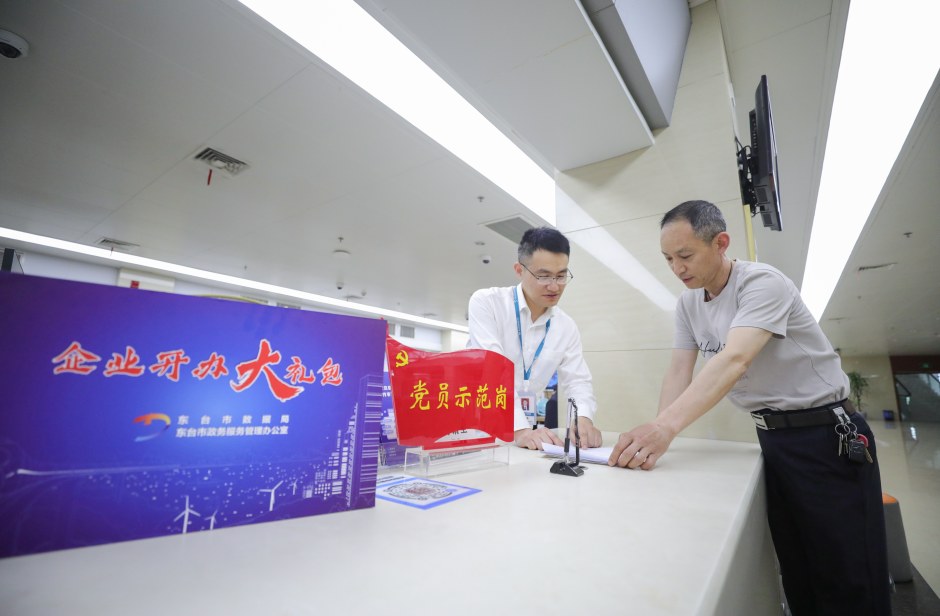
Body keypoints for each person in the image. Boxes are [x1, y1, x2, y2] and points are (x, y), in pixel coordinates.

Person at [609, 200, 890, 615]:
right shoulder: (688, 304)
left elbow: (735, 359)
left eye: (685, 255)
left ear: (720, 243)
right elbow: (679, 371)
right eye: (668, 259)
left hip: (826, 435)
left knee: (846, 568)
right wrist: (655, 433)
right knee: (797, 563)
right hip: (773, 439)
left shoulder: (762, 284)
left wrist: (665, 429)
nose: (677, 268)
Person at [468, 227, 602, 450]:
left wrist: (583, 418)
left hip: (526, 438)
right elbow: (492, 371)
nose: (554, 286)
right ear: (519, 270)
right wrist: (519, 430)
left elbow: (577, 381)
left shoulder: (566, 326)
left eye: (561, 276)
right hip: (480, 433)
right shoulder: (487, 303)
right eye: (543, 276)